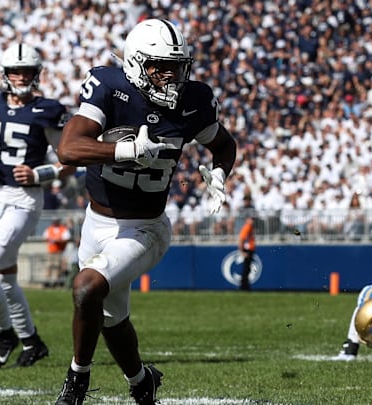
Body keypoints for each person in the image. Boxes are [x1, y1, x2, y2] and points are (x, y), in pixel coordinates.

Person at [54, 18, 237, 405]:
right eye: (161, 66)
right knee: (109, 317)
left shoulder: (193, 101)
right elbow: (69, 149)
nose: (172, 75)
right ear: (137, 63)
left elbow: (224, 144)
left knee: (87, 289)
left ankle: (77, 382)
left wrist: (219, 173)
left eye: (177, 66)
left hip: (146, 228)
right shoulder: (111, 88)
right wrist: (123, 150)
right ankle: (141, 382)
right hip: (97, 221)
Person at [0, 42, 74, 370]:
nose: (22, 77)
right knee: (7, 278)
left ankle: (4, 335)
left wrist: (40, 174)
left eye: (27, 71)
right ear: (5, 73)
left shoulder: (48, 109)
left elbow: (68, 159)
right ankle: (32, 341)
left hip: (23, 200)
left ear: (37, 74)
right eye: (16, 71)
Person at [43, 217, 72, 288]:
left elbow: (66, 239)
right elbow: (45, 237)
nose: (54, 222)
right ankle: (48, 281)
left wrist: (57, 241)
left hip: (59, 252)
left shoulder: (63, 229)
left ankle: (56, 282)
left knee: (57, 267)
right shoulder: (49, 229)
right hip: (51, 251)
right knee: (49, 266)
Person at [238, 216, 256, 291]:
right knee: (246, 269)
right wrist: (242, 251)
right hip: (247, 250)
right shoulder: (247, 227)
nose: (252, 221)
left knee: (247, 268)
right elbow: (241, 239)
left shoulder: (250, 227)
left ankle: (245, 285)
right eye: (250, 219)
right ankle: (244, 286)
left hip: (249, 249)